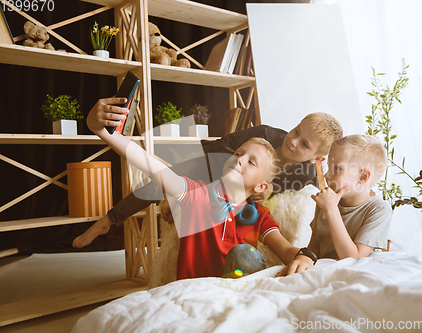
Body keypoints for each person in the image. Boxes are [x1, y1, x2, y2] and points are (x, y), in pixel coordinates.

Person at [82, 97, 317, 279]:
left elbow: (286, 250)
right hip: (198, 293)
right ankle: (110, 219)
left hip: (238, 295)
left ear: (263, 185)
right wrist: (103, 131)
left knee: (245, 255)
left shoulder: (259, 217)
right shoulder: (197, 195)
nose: (240, 159)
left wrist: (304, 257)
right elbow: (151, 165)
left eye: (251, 161)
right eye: (238, 154)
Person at [278, 134, 393, 276]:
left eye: (337, 168)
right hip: (324, 271)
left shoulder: (379, 210)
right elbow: (314, 248)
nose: (326, 175)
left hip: (356, 276)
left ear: (363, 177)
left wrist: (331, 209)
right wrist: (304, 260)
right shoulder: (327, 201)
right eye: (329, 167)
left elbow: (354, 259)